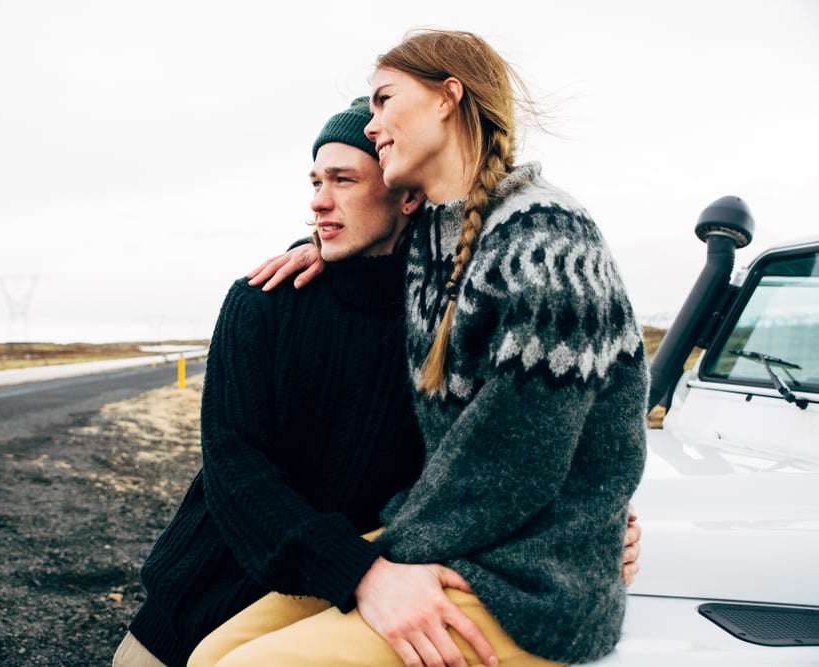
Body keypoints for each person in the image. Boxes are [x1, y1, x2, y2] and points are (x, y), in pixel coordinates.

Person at [189, 28, 649, 667]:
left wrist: (386, 565)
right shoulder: (439, 236)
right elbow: (369, 247)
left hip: (528, 571)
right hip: (450, 534)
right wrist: (312, 251)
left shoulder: (546, 237)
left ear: (446, 98)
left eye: (382, 101)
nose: (373, 124)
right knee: (212, 651)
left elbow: (518, 460)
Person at [113, 98, 432, 667]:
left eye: (343, 179)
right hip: (195, 608)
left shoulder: (444, 324)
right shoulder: (263, 301)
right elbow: (235, 465)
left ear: (407, 194)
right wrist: (350, 570)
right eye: (314, 180)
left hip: (337, 625)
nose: (318, 200)